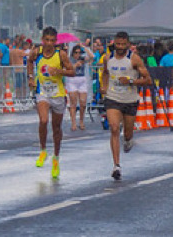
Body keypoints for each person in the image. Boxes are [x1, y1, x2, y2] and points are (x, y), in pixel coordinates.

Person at [100, 32, 152, 181]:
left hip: (130, 100)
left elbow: (148, 80)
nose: (120, 47)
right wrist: (104, 87)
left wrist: (130, 81)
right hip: (113, 98)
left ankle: (128, 139)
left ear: (128, 44)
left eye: (123, 44)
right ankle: (116, 165)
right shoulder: (107, 58)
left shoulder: (134, 59)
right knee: (114, 128)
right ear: (114, 44)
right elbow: (105, 73)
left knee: (127, 133)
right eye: (118, 44)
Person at [27, 27, 75, 179]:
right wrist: (30, 77)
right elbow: (29, 61)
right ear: (42, 40)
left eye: (52, 41)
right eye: (46, 40)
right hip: (43, 93)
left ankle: (56, 157)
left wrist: (59, 71)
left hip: (58, 95)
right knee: (43, 120)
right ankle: (43, 151)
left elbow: (72, 71)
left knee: (56, 128)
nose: (49, 43)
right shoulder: (37, 52)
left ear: (56, 41)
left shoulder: (61, 55)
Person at [65, 45, 91, 131]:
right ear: (73, 53)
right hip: (72, 80)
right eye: (76, 52)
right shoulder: (69, 59)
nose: (78, 54)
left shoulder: (83, 59)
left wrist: (84, 47)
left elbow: (91, 57)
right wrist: (75, 65)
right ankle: (73, 123)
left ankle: (81, 121)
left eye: (79, 52)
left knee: (83, 103)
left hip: (82, 80)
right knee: (73, 103)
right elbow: (67, 69)